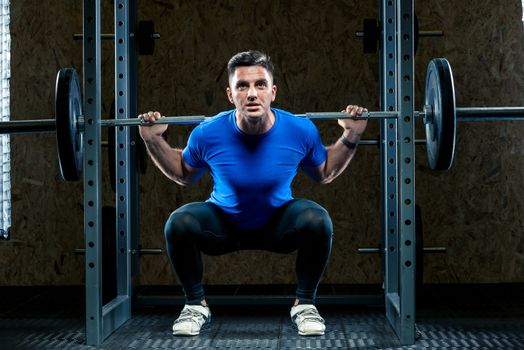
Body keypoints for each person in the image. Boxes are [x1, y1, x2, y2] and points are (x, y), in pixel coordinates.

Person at [138, 50, 368, 337]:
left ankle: (305, 305)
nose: (251, 93)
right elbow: (184, 174)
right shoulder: (207, 132)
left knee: (317, 219)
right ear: (230, 94)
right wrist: (152, 140)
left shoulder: (299, 129)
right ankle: (195, 305)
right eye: (242, 86)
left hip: (278, 225)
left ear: (273, 92)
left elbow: (325, 172)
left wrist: (351, 135)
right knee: (179, 222)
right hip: (224, 225)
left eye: (260, 85)